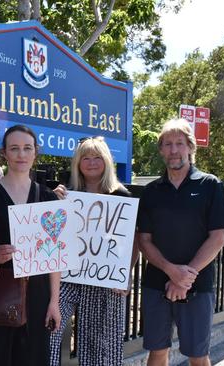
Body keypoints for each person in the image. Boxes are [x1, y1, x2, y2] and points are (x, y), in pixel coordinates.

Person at [137, 119, 224, 366]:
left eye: (180, 143)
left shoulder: (210, 185)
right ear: (161, 150)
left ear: (190, 147)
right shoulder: (151, 192)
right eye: (167, 144)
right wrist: (171, 271)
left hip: (198, 286)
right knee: (157, 352)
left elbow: (218, 237)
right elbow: (144, 241)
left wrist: (185, 277)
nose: (173, 150)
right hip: (156, 284)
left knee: (197, 355)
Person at [0, 124, 62, 366]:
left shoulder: (48, 197)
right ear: (4, 153)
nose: (21, 155)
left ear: (36, 152)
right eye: (14, 148)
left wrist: (54, 301)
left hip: (37, 295)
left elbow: (54, 257)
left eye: (27, 148)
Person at [48, 136, 138, 365]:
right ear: (78, 163)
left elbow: (132, 240)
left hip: (105, 279)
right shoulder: (66, 193)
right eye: (85, 158)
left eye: (97, 157)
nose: (91, 162)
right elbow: (51, 233)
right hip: (67, 277)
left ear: (107, 160)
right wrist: (54, 202)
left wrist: (125, 274)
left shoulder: (121, 196)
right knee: (48, 332)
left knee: (101, 349)